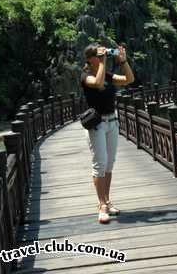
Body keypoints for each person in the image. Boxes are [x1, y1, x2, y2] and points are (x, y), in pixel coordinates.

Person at [80, 43, 134, 223]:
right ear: (90, 59)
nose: (102, 56)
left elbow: (129, 79)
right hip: (97, 125)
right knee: (100, 164)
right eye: (98, 54)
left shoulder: (108, 75)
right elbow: (96, 83)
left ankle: (108, 201)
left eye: (102, 54)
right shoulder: (86, 76)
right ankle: (101, 205)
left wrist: (123, 60)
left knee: (109, 164)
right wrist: (102, 62)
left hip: (112, 122)